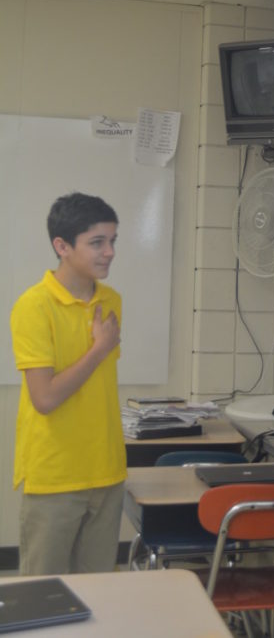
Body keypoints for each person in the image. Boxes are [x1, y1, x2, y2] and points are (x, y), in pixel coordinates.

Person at [11, 192, 127, 575]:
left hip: (106, 471)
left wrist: (101, 348)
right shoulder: (33, 305)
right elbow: (44, 399)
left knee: (99, 599)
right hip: (55, 476)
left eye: (112, 241)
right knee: (43, 598)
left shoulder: (110, 300)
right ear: (61, 246)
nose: (109, 252)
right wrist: (100, 348)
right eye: (97, 242)